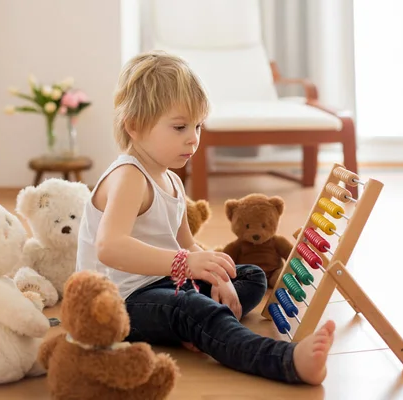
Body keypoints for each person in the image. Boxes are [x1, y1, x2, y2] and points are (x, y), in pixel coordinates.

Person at [76, 50, 335, 385]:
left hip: (160, 284)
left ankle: (197, 326)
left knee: (250, 276)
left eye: (198, 125)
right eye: (180, 127)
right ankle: (285, 361)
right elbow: (109, 247)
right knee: (193, 308)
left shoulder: (168, 178)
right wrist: (186, 265)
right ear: (135, 127)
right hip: (118, 303)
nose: (193, 138)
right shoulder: (128, 177)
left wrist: (218, 276)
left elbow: (187, 244)